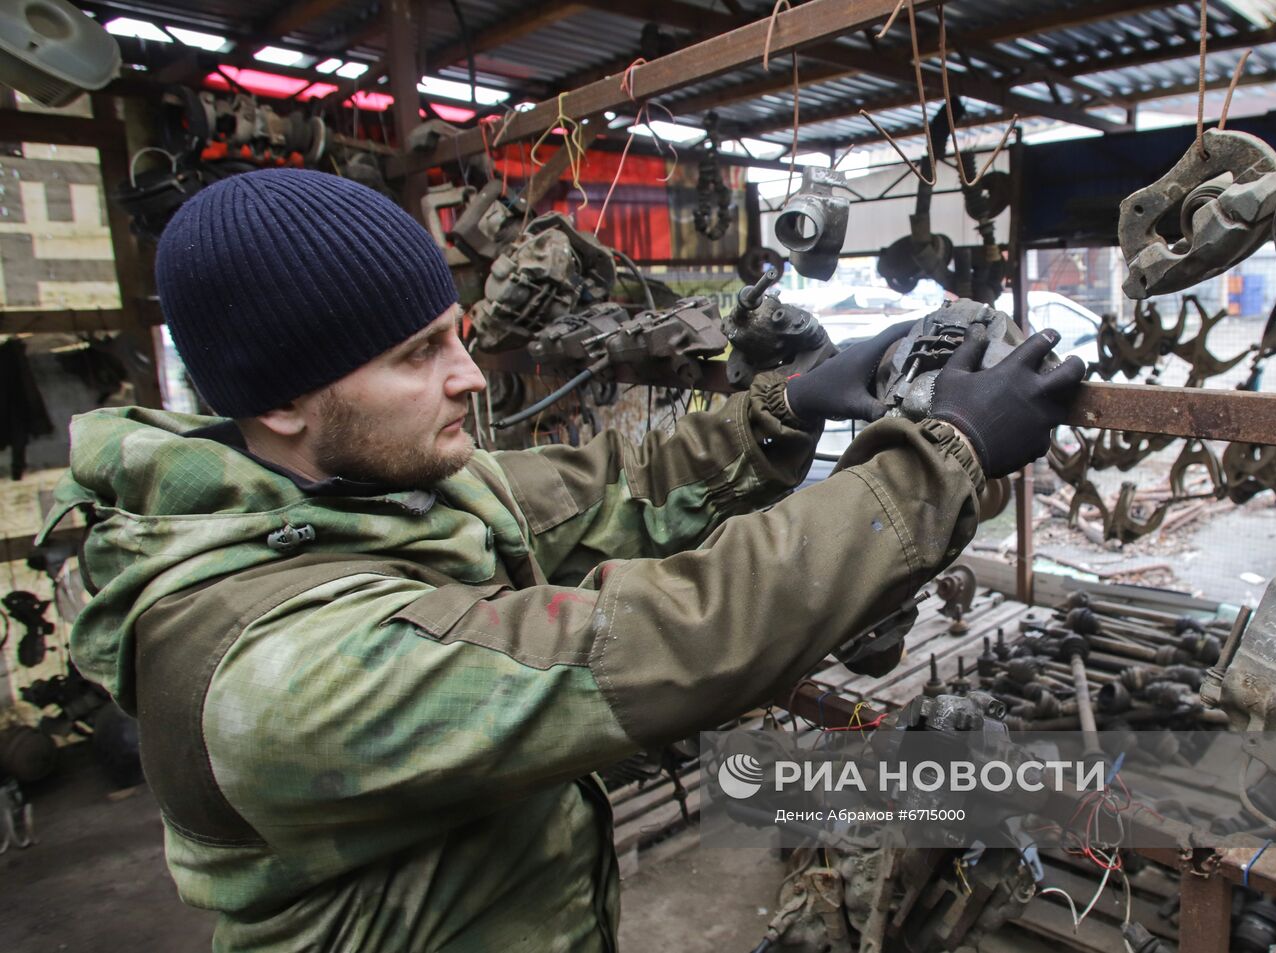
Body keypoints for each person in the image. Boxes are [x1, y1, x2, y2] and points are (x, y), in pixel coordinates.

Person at [40, 169, 1083, 952]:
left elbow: (602, 487)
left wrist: (790, 403)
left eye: (454, 335)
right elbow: (668, 639)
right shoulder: (279, 674)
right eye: (416, 356)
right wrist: (942, 460)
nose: (468, 378)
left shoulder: (361, 494)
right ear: (279, 399)